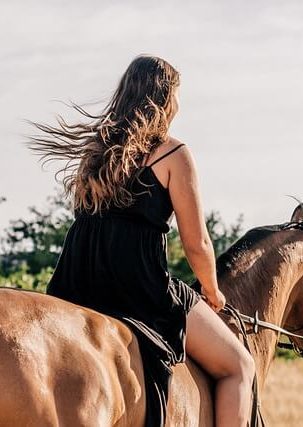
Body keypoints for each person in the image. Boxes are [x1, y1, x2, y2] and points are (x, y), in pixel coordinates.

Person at [26, 54, 255, 427]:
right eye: (177, 95)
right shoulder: (173, 153)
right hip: (138, 288)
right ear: (165, 98)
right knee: (239, 367)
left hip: (77, 281)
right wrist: (213, 292)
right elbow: (196, 244)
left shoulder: (96, 151)